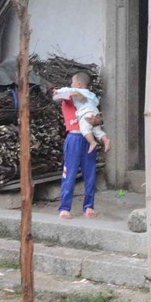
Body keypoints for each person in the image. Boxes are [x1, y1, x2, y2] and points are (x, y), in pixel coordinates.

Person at [52, 72, 109, 219]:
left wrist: (97, 121)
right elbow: (56, 97)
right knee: (69, 173)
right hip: (74, 137)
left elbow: (99, 119)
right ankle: (64, 208)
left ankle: (89, 207)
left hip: (87, 137)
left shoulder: (89, 100)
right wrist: (66, 92)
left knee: (90, 173)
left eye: (73, 83)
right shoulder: (68, 97)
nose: (71, 85)